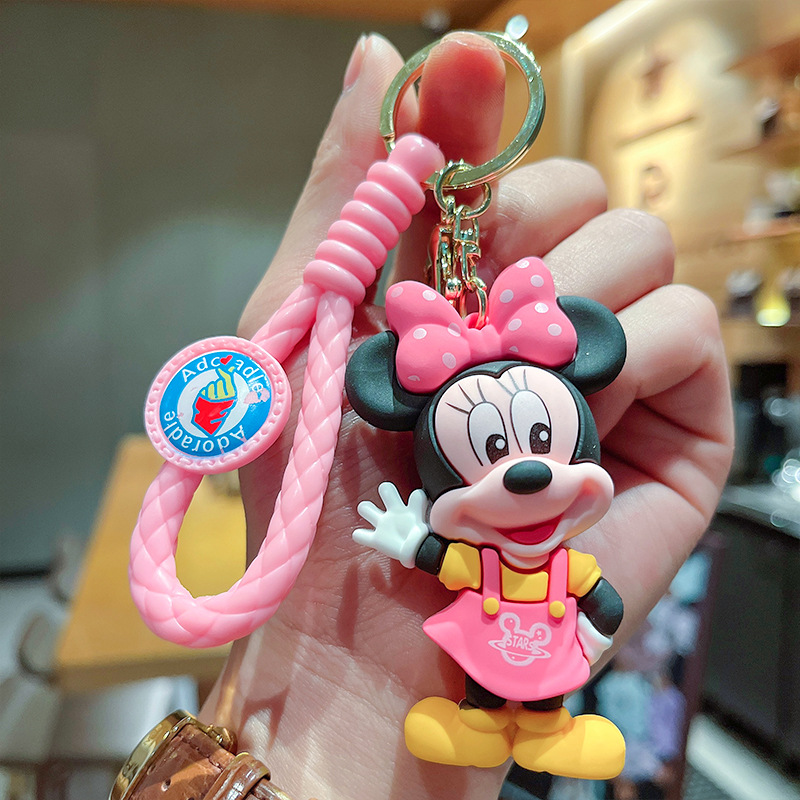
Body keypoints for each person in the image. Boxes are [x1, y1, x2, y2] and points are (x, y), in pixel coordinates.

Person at [199, 32, 734, 800]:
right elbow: (439, 559)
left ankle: (551, 732)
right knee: (482, 685)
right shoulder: (478, 560)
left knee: (540, 695)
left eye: (544, 440)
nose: (526, 474)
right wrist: (352, 676)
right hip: (486, 641)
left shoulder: (565, 563)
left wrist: (586, 639)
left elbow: (601, 600)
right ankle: (479, 724)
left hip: (543, 646)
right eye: (492, 450)